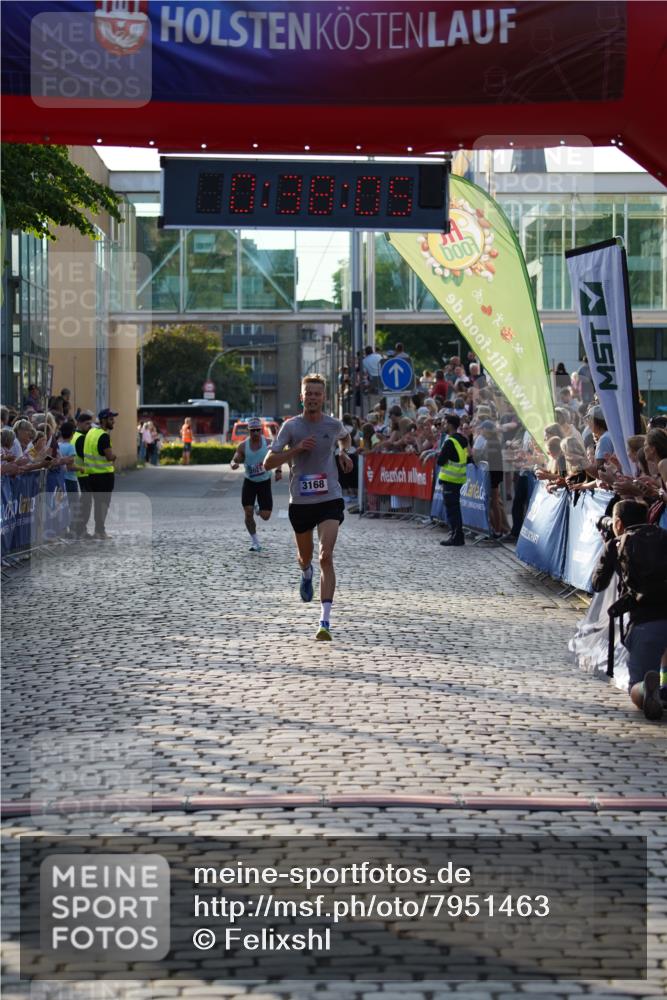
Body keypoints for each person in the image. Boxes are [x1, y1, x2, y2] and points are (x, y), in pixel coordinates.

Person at [263, 374, 352, 641]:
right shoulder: (291, 427)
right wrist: (296, 450)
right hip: (300, 502)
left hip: (329, 499)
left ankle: (324, 621)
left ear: (323, 397)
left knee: (326, 556)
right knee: (306, 558)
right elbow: (268, 462)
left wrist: (342, 452)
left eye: (317, 393)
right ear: (301, 397)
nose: (313, 397)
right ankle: (305, 572)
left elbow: (345, 438)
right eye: (308, 393)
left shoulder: (333, 424)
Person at [591, 500, 667, 720]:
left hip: (646, 621)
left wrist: (608, 548)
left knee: (635, 687)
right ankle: (664, 687)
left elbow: (597, 584)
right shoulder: (664, 536)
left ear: (617, 523)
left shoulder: (617, 544)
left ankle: (646, 689)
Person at [230, 417, 281, 552]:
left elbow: (278, 455)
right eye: (253, 431)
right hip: (250, 483)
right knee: (248, 513)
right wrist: (233, 463)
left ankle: (258, 508)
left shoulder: (268, 443)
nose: (256, 433)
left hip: (264, 482)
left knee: (265, 516)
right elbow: (235, 458)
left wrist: (279, 471)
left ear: (261, 430)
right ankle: (255, 542)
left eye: (258, 430)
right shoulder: (243, 446)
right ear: (249, 431)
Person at [436, 414, 471, 547]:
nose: (443, 425)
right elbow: (469, 455)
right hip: (459, 478)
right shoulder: (462, 439)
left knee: (452, 510)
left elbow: (440, 461)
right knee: (455, 508)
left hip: (450, 480)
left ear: (450, 425)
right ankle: (458, 535)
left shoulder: (450, 441)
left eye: (444, 423)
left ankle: (455, 536)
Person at [83, 408, 117, 540]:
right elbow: (109, 456)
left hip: (91, 475)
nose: (113, 421)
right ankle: (100, 531)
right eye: (111, 419)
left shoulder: (91, 432)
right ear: (103, 420)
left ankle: (98, 530)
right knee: (103, 505)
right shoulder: (103, 435)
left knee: (97, 504)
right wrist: (114, 457)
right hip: (103, 476)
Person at [71, 410, 94, 539]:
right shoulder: (82, 439)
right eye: (87, 424)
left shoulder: (74, 436)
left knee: (79, 505)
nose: (89, 426)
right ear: (79, 423)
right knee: (85, 506)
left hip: (76, 474)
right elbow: (85, 458)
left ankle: (78, 529)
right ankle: (81, 530)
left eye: (90, 424)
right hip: (83, 475)